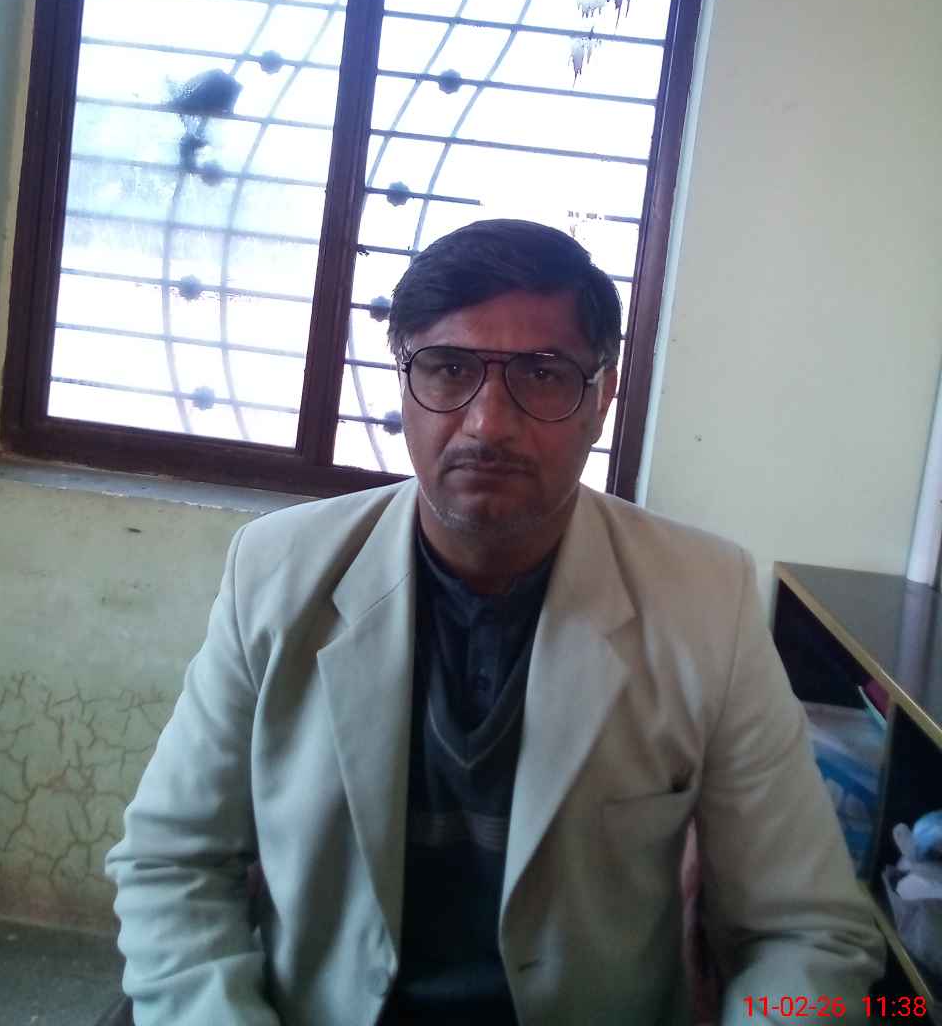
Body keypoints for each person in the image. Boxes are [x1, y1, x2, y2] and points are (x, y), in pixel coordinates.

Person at [105, 218, 884, 1025]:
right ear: (403, 383)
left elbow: (805, 929)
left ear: (602, 399)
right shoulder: (277, 572)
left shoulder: (705, 602)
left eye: (543, 375)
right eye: (448, 369)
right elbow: (173, 862)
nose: (488, 424)